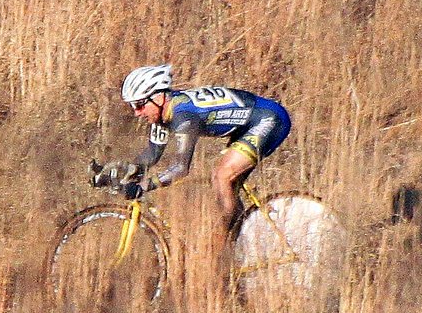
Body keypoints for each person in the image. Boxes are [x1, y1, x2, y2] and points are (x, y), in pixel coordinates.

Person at [93, 64, 291, 232]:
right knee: (225, 187)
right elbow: (152, 156)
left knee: (221, 176)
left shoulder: (183, 116)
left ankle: (223, 250)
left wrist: (144, 187)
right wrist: (120, 170)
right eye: (133, 106)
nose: (137, 113)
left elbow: (181, 168)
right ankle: (239, 245)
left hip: (269, 120)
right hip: (246, 125)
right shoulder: (163, 114)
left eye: (140, 105)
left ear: (159, 97)